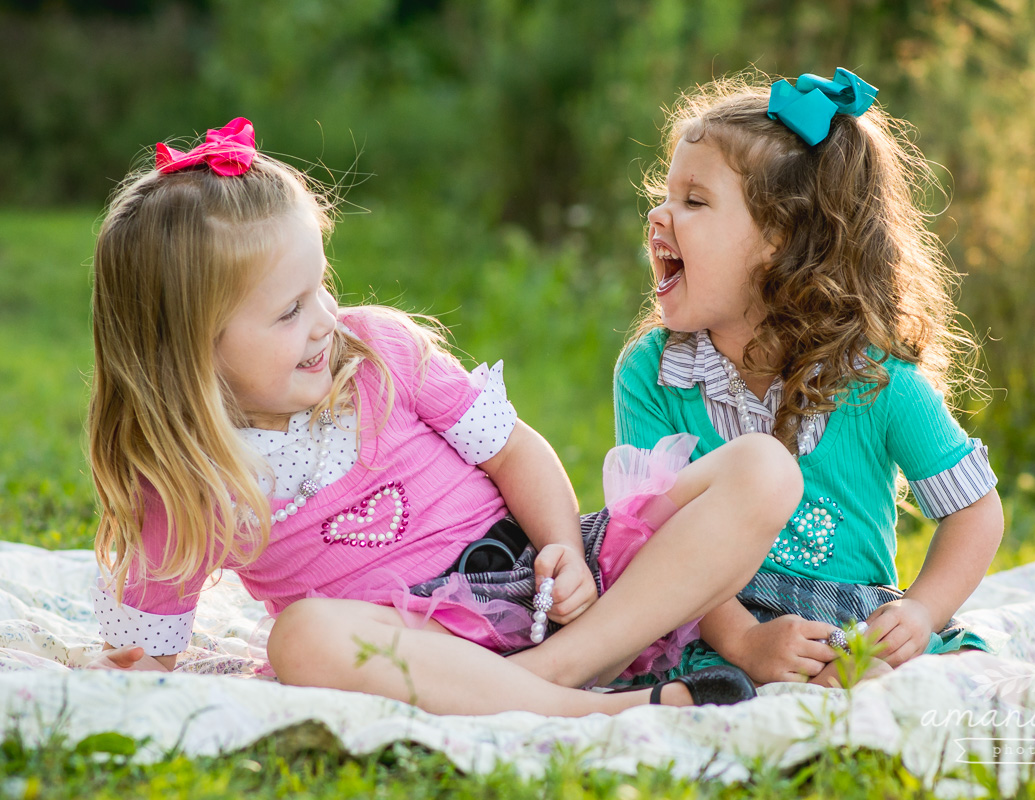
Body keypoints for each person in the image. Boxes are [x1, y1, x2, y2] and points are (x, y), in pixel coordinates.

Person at [85, 117, 808, 716]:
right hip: (418, 650)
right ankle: (596, 710)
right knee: (302, 638)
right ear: (189, 350)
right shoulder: (190, 484)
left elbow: (512, 451)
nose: (324, 321)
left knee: (764, 468)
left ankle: (557, 674)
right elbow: (150, 644)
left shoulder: (376, 350)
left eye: (320, 288)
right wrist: (137, 668)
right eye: (288, 311)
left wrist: (563, 546)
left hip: (548, 593)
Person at [614, 69, 1008, 689]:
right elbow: (648, 537)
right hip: (706, 613)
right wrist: (742, 639)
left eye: (693, 201)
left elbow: (975, 512)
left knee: (947, 672)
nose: (660, 216)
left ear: (777, 239)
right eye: (665, 195)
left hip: (849, 618)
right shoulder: (652, 375)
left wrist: (921, 611)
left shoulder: (876, 380)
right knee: (691, 682)